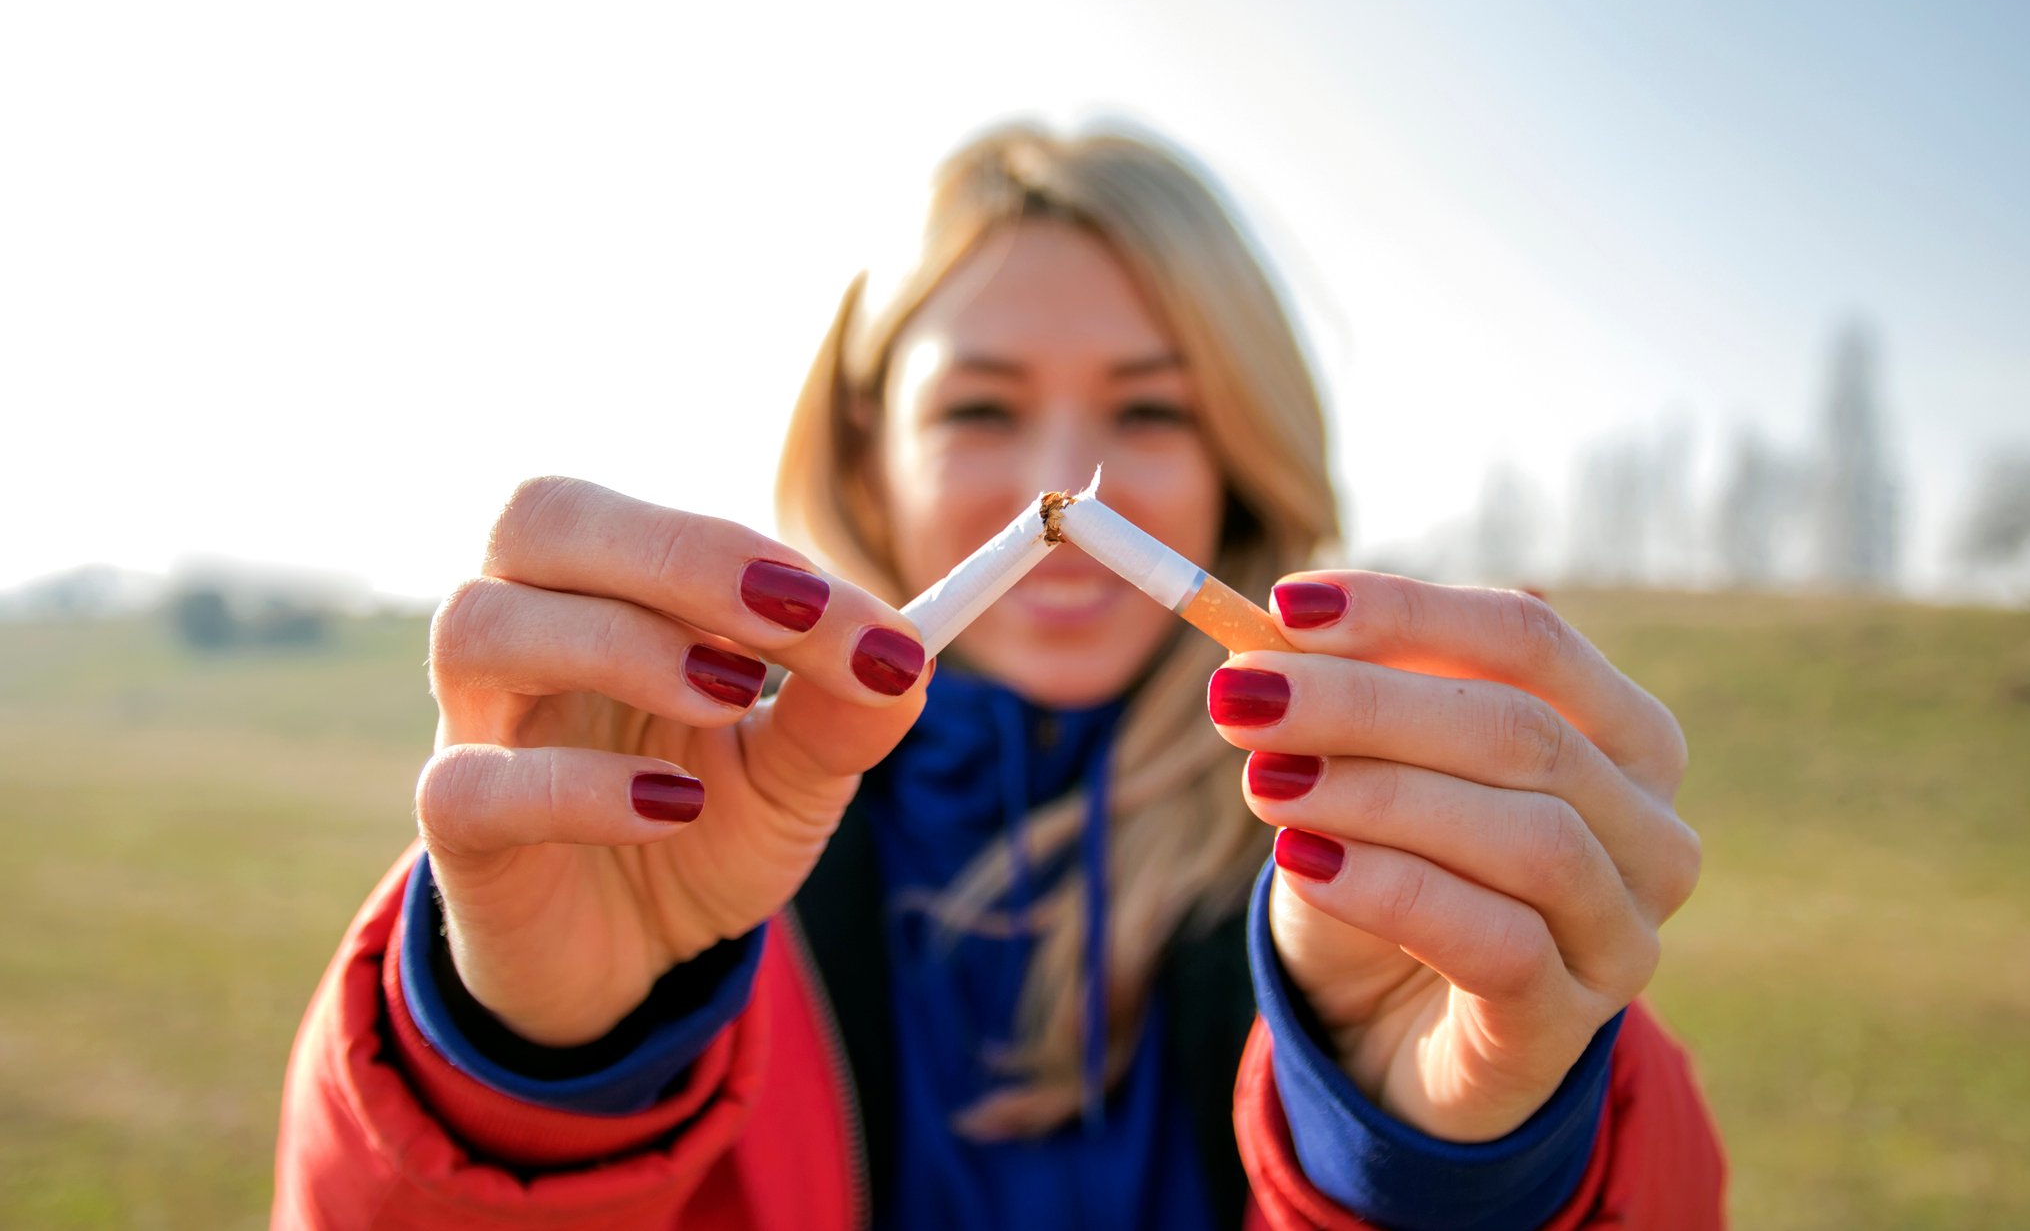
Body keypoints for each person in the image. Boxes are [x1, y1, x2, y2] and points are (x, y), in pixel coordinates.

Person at [273, 123, 1724, 1229]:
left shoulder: (1393, 857)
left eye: (1149, 407)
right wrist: (525, 1064)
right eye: (979, 405)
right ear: (862, 454)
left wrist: (1446, 1143)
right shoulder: (678, 821)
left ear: (1240, 459)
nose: (1059, 489)